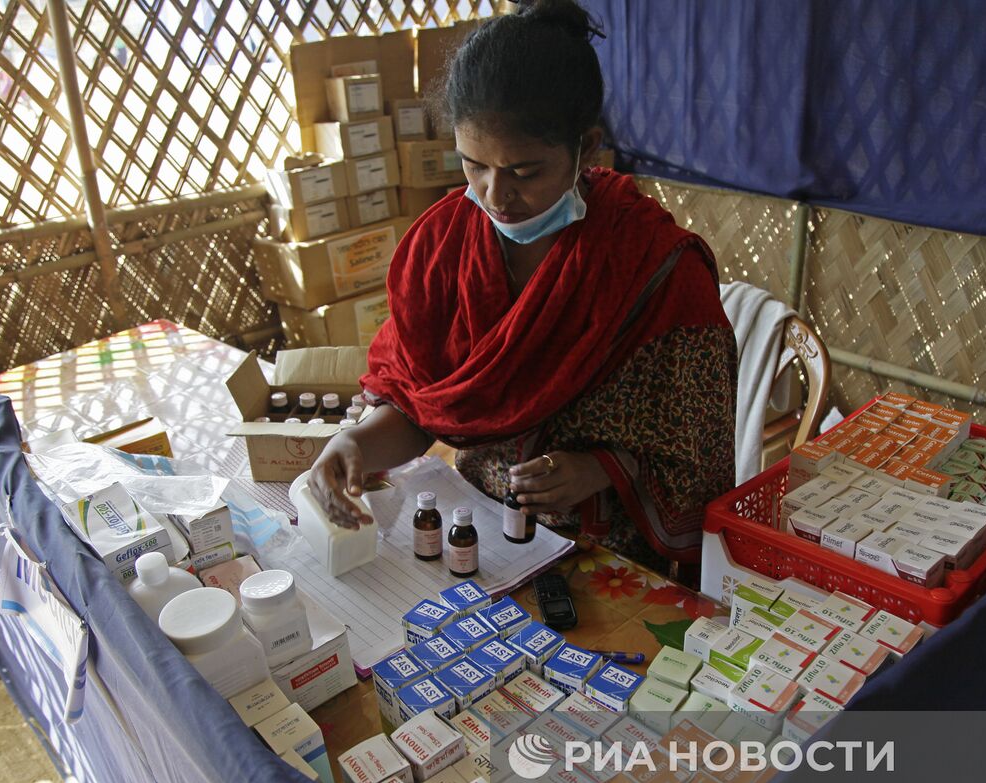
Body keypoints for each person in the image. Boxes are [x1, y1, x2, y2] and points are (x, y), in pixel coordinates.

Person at [307, 0, 737, 574]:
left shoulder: (654, 271)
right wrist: (356, 446)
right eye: (473, 165)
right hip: (481, 535)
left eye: (524, 172)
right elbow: (421, 406)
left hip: (608, 559)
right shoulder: (443, 253)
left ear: (585, 146)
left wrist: (600, 469)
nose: (494, 195)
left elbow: (697, 452)